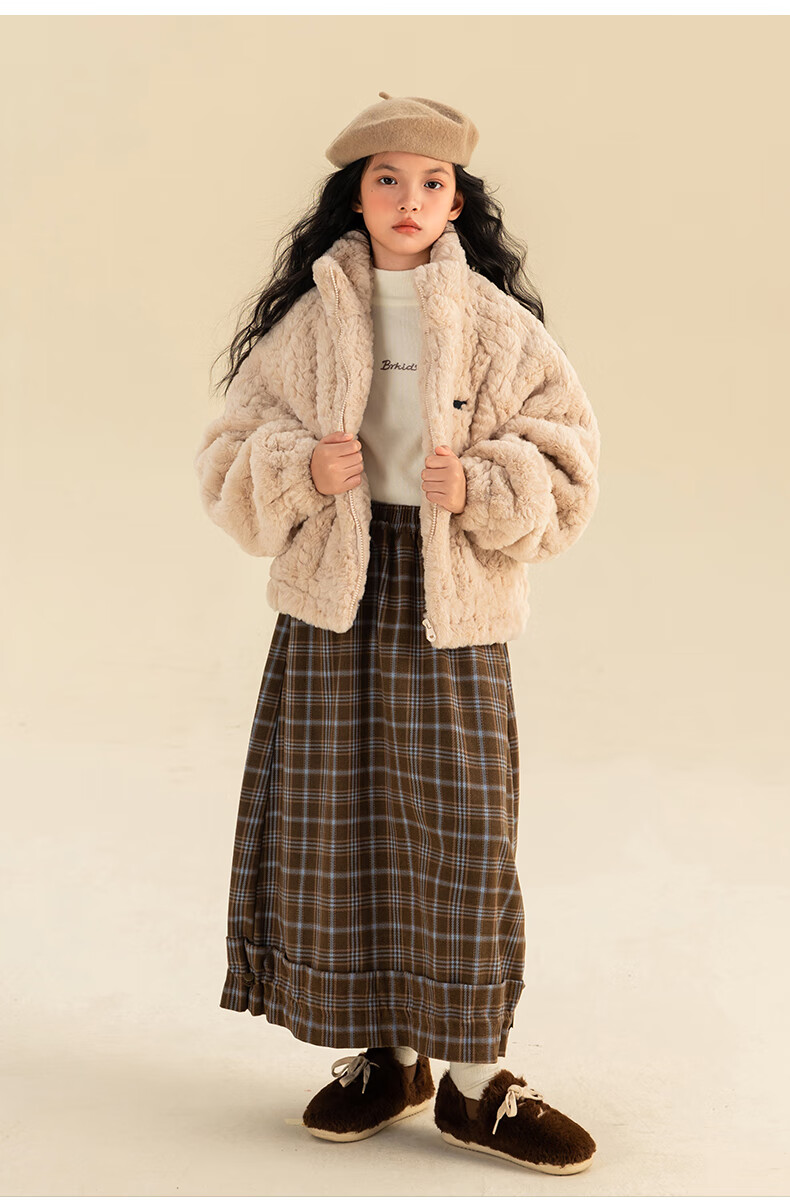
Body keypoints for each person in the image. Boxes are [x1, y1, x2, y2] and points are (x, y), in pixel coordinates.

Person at [194, 91, 601, 1174]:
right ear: (356, 196)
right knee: (338, 819)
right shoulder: (310, 321)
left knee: (460, 829)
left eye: (431, 182)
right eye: (387, 180)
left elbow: (567, 455)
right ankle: (392, 1056)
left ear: (457, 201)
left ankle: (474, 1080)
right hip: (334, 591)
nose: (408, 199)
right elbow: (230, 448)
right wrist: (300, 466)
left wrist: (481, 484)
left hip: (450, 597)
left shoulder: (502, 328)